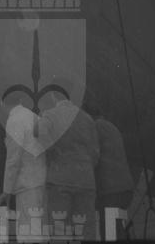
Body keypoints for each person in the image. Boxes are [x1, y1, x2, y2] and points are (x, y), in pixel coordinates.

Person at [38, 79, 99, 240]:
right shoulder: (87, 118)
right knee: (86, 230)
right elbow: (95, 153)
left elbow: (40, 137)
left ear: (53, 95)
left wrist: (53, 152)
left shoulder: (49, 115)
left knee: (59, 229)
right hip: (85, 180)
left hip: (60, 179)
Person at [0, 92, 46, 228]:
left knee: (29, 230)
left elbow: (13, 159)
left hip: (27, 183)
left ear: (3, 105)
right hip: (41, 180)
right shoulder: (34, 117)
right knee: (40, 227)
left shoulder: (14, 120)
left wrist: (7, 191)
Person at [85, 104, 134, 240]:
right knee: (117, 230)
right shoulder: (112, 126)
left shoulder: (95, 127)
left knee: (110, 234)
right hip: (124, 188)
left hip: (110, 191)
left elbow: (92, 156)